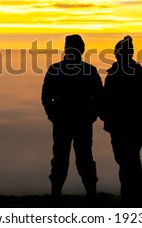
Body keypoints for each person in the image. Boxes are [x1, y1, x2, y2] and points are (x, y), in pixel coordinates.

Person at [41, 34, 102, 205]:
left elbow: (46, 97)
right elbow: (99, 97)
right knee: (83, 158)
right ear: (81, 50)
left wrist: (53, 115)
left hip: (64, 121)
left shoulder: (55, 69)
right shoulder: (89, 70)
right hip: (79, 121)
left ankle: (56, 197)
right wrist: (92, 116)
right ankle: (91, 197)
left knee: (62, 158)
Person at [101, 35, 142, 206]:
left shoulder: (114, 76)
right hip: (133, 124)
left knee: (127, 160)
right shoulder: (141, 74)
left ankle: (130, 197)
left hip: (122, 125)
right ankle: (133, 196)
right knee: (129, 159)